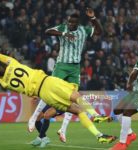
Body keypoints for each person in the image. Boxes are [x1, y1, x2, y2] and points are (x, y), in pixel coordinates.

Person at [0, 47, 117, 145]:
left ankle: (99, 136)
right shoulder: (13, 63)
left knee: (77, 111)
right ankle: (95, 115)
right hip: (48, 82)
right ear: (5, 66)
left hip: (43, 94)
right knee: (76, 96)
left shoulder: (5, 83)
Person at [28, 7, 104, 144]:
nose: (70, 25)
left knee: (73, 97)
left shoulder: (83, 30)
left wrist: (93, 18)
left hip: (75, 68)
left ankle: (62, 130)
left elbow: (99, 31)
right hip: (62, 65)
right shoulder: (63, 28)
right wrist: (63, 34)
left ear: (77, 23)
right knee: (50, 89)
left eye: (72, 23)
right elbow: (47, 31)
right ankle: (34, 118)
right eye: (68, 22)